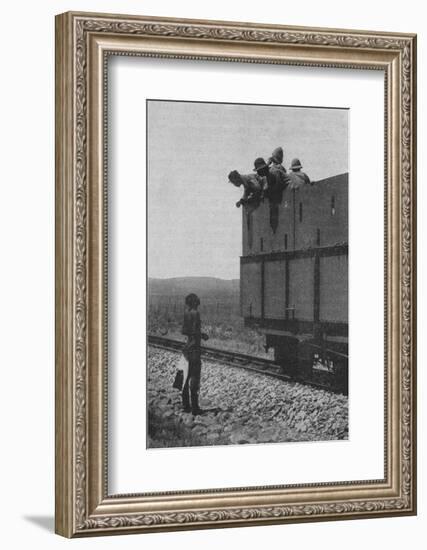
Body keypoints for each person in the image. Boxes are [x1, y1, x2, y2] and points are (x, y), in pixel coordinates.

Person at [181, 293, 209, 415]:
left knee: (185, 378)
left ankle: (186, 406)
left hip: (186, 347)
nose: (199, 303)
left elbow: (184, 331)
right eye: (197, 301)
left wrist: (194, 335)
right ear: (195, 302)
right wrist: (202, 335)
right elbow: (195, 331)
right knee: (195, 378)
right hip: (194, 349)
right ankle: (195, 408)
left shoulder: (186, 313)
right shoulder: (195, 313)